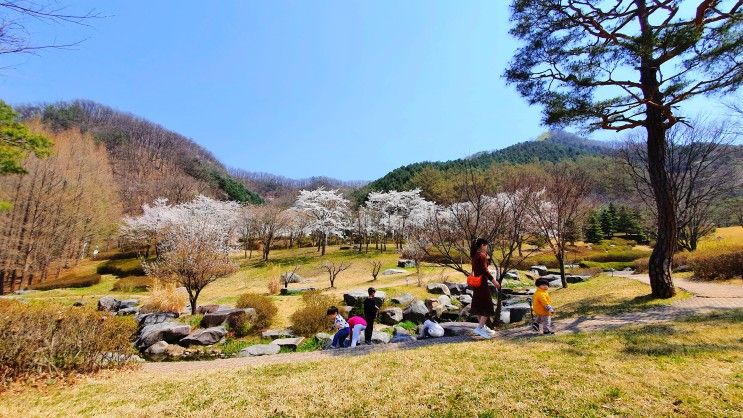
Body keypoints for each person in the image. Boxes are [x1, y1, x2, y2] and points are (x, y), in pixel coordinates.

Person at [470, 238, 500, 339]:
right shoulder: (482, 256)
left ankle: (482, 327)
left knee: (479, 305)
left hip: (476, 283)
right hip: (482, 283)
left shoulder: (475, 255)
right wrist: (494, 281)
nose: (487, 247)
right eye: (486, 245)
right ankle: (480, 327)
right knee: (488, 305)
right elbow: (485, 271)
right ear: (482, 245)